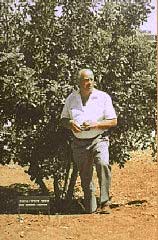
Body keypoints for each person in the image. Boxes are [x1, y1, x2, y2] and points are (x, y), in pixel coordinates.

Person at [60, 68, 117, 214]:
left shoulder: (103, 97)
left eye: (91, 79)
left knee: (103, 163)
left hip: (99, 139)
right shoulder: (71, 98)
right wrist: (70, 123)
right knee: (85, 175)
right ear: (79, 82)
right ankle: (90, 202)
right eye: (86, 80)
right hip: (79, 143)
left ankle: (105, 202)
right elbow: (63, 119)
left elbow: (113, 121)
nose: (89, 82)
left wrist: (96, 125)